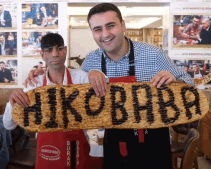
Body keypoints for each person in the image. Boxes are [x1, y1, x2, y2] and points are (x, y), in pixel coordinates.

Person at [24, 3, 193, 169]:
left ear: (123, 25)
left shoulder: (153, 54)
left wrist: (176, 82)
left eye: (110, 26)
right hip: (113, 143)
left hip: (154, 143)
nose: (105, 34)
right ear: (93, 33)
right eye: (98, 29)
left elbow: (189, 83)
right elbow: (69, 88)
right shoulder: (91, 61)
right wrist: (43, 73)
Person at [3, 33, 107, 169]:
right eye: (48, 50)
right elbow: (8, 125)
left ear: (65, 50)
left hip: (78, 152)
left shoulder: (82, 79)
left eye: (59, 48)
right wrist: (13, 101)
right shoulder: (34, 84)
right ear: (42, 55)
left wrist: (97, 73)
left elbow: (108, 96)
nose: (55, 54)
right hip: (47, 153)